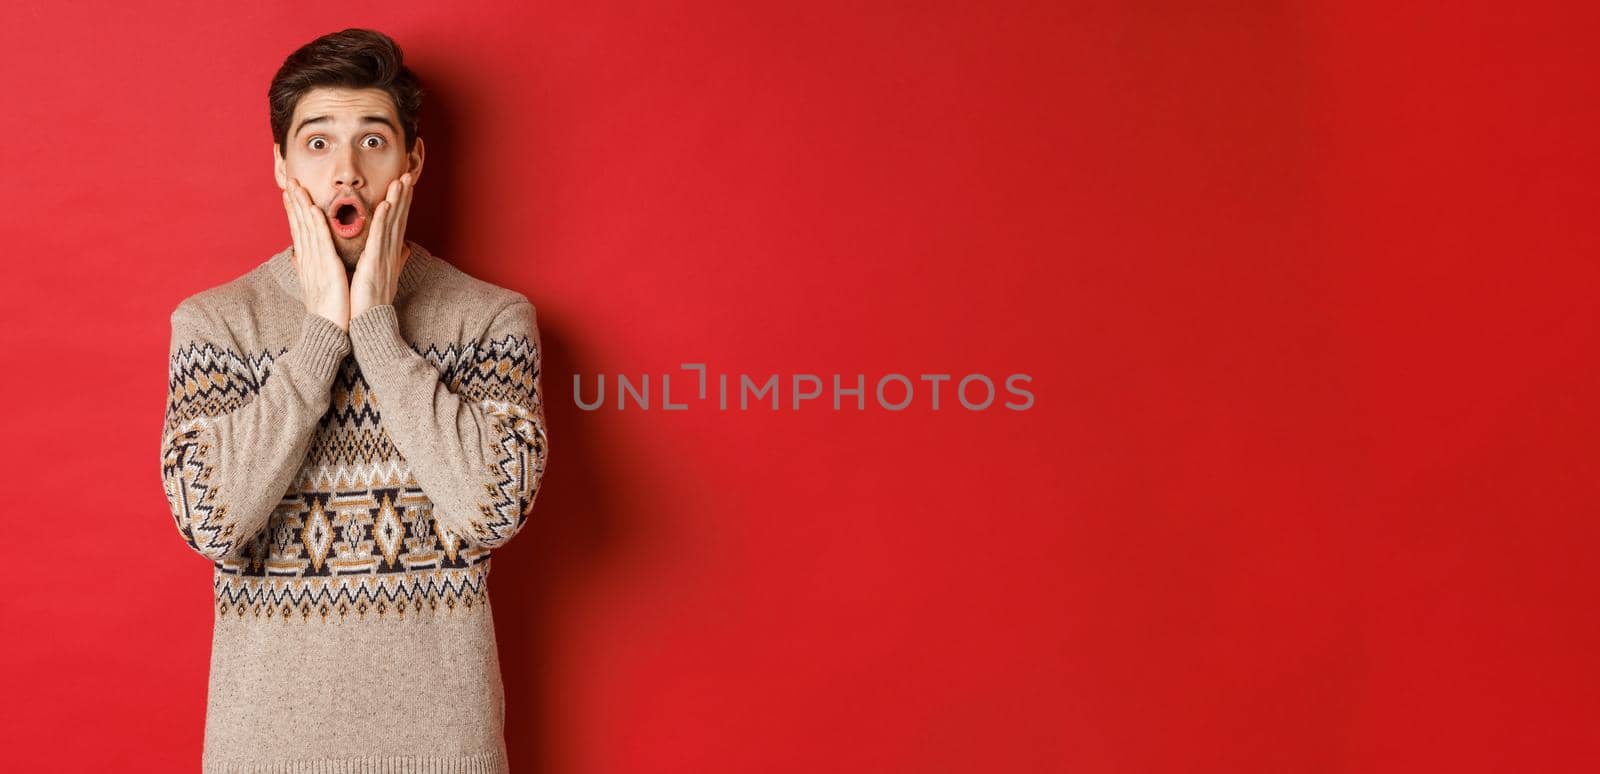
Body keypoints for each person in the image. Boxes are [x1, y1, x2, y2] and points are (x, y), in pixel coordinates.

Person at [158, 28, 547, 773]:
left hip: (444, 753)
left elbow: (489, 512)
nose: (346, 172)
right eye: (316, 144)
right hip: (263, 754)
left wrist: (374, 328)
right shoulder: (214, 325)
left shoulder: (491, 319)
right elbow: (212, 523)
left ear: (414, 160)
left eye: (373, 142)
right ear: (280, 166)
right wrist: (318, 336)